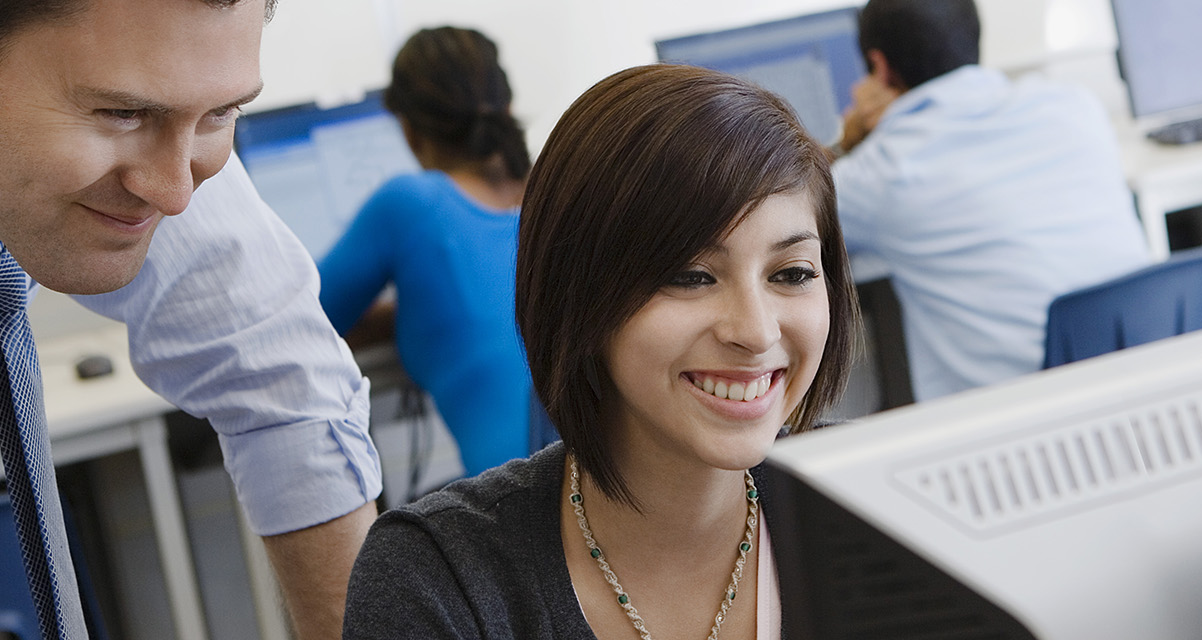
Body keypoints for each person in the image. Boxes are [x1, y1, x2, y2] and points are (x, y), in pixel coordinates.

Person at [0, 0, 380, 638]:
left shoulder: (144, 94)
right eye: (121, 114)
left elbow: (284, 377)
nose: (175, 194)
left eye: (221, 113)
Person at [341, 64, 858, 639]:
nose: (756, 332)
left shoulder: (883, 507)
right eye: (691, 276)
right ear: (578, 295)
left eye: (791, 273)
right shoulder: (436, 581)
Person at [831, 0, 1150, 402]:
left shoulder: (882, 172)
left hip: (1018, 421)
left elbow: (795, 207)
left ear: (879, 67)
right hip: (1145, 388)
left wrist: (848, 144)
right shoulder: (1074, 106)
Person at [319, 26, 535, 479]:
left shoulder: (412, 203)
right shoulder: (559, 192)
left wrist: (392, 321)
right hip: (619, 490)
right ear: (508, 107)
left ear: (408, 129)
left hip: (525, 503)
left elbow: (306, 319)